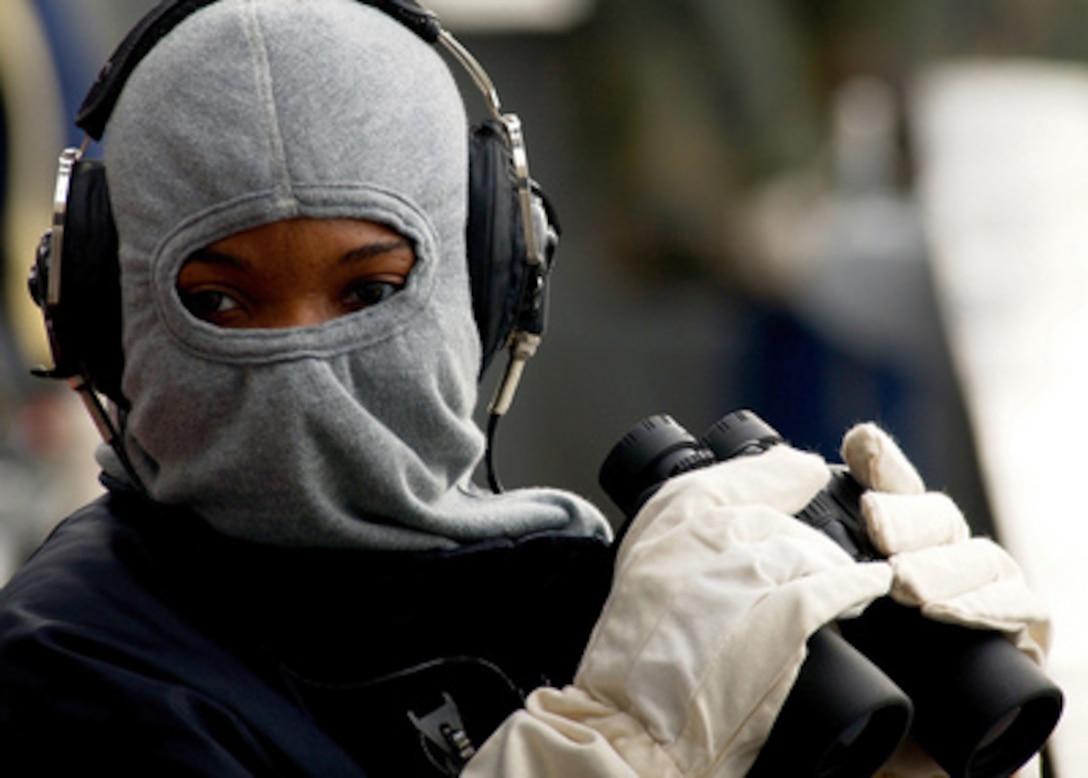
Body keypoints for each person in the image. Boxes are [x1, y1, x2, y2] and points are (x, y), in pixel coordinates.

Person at [0, 1, 1052, 776]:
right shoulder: (67, 671)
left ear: (493, 279)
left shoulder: (566, 595)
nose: (303, 367)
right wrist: (630, 744)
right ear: (105, 316)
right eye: (221, 303)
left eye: (369, 288)